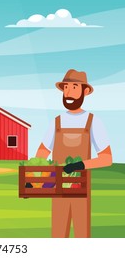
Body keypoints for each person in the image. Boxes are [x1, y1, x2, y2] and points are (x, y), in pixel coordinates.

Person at [36, 69, 112, 238]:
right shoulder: (56, 122)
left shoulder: (93, 122)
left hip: (81, 189)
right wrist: (35, 181)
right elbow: (42, 152)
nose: (69, 92)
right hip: (58, 188)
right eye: (66, 87)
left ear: (85, 91)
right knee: (58, 235)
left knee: (81, 236)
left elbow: (106, 158)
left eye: (74, 87)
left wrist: (80, 165)